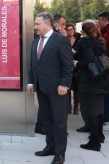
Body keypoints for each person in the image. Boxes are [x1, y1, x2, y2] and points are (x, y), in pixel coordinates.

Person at [27, 12, 73, 164]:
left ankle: (60, 154)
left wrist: (64, 84)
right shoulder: (35, 42)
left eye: (37, 24)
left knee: (59, 122)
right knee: (47, 121)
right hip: (41, 88)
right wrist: (31, 82)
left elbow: (68, 66)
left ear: (48, 24)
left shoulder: (61, 40)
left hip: (57, 89)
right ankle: (50, 147)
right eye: (35, 24)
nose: (35, 27)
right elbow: (34, 65)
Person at [74, 21, 109, 150]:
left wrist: (76, 64)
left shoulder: (84, 42)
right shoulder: (101, 41)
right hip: (102, 79)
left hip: (90, 80)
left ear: (83, 31)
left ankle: (94, 142)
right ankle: (99, 136)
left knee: (92, 112)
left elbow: (88, 61)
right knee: (98, 110)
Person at [66, 23, 81, 115]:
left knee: (76, 87)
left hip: (77, 65)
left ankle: (76, 108)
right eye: (68, 29)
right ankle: (68, 107)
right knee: (67, 86)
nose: (70, 31)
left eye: (72, 29)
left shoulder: (79, 39)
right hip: (67, 65)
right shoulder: (64, 40)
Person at [97, 12, 109, 128]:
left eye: (100, 20)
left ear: (106, 20)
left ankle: (106, 116)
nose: (99, 22)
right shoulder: (103, 32)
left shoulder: (107, 33)